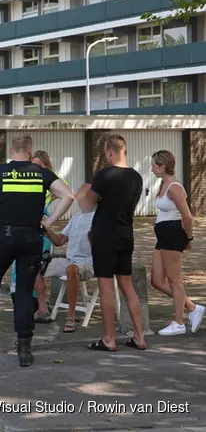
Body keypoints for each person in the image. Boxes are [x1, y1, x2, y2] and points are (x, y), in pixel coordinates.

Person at [0, 134, 74, 367]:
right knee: (24, 291)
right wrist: (48, 222)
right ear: (30, 150)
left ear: (11, 150)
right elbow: (68, 196)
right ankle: (24, 346)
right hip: (31, 239)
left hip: (3, 238)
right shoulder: (41, 174)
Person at [80, 134, 146, 351]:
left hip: (104, 236)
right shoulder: (137, 177)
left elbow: (88, 205)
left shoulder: (104, 175)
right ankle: (139, 336)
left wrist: (87, 193)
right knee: (127, 286)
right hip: (126, 233)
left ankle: (109, 338)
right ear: (124, 150)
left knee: (106, 286)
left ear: (109, 152)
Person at [149, 150, 203, 335]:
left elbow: (187, 217)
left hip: (172, 234)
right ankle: (192, 307)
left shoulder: (174, 187)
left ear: (163, 166)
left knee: (174, 280)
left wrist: (188, 238)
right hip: (163, 235)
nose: (152, 169)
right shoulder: (163, 185)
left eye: (154, 165)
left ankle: (179, 323)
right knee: (156, 280)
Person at [9, 150, 61, 323]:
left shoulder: (48, 182)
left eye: (39, 165)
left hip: (39, 235)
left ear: (46, 167)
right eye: (34, 164)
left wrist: (47, 222)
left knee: (34, 269)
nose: (35, 168)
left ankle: (42, 307)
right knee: (23, 269)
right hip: (27, 233)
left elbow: (67, 196)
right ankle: (36, 304)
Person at [42, 183, 97, 333]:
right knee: (34, 265)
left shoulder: (100, 217)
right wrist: (46, 229)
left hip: (90, 263)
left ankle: (70, 318)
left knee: (71, 270)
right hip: (70, 261)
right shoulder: (76, 217)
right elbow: (59, 241)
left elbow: (103, 246)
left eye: (82, 197)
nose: (79, 200)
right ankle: (41, 308)